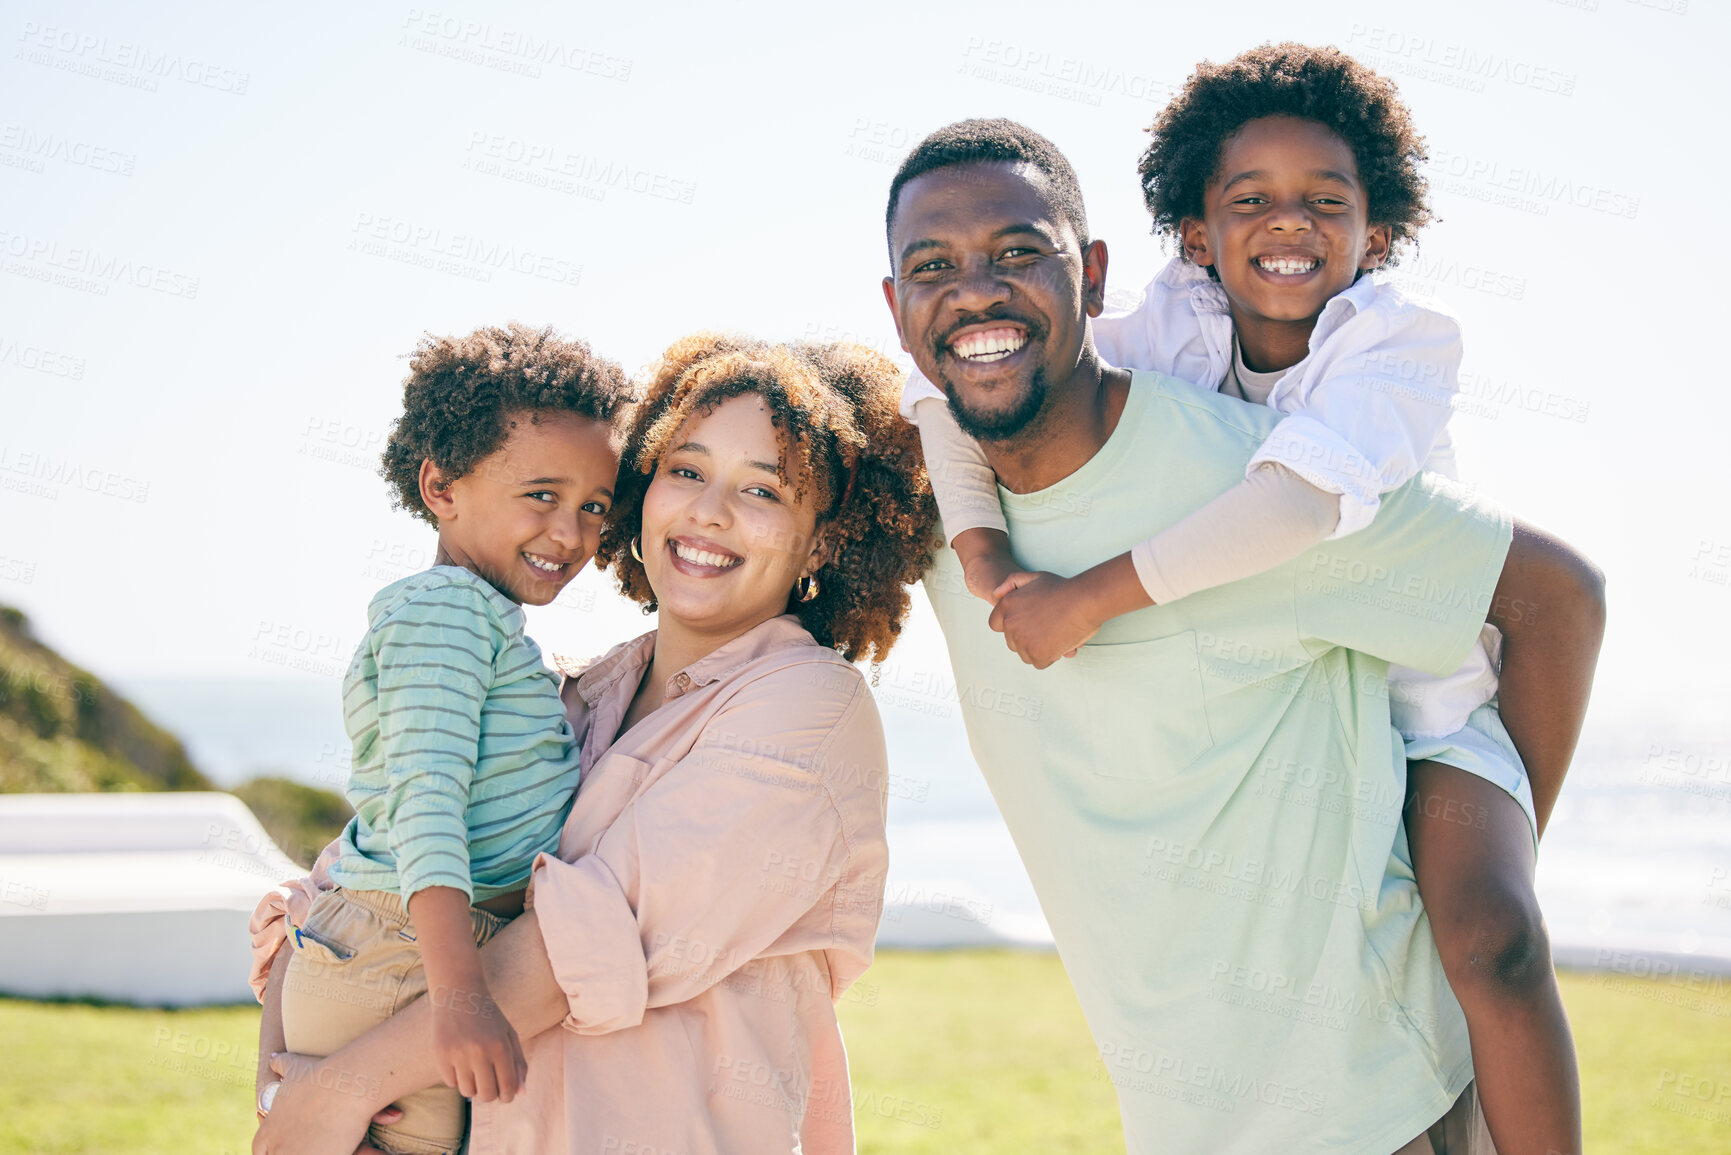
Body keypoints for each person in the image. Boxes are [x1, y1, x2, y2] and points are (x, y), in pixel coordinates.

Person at [901, 46, 1581, 1154]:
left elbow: (1296, 507)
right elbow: (946, 398)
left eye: (1327, 200)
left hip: (1437, 703)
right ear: (1197, 236)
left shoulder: (1395, 343)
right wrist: (982, 561)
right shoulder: (1174, 329)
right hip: (1322, 714)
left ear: (1380, 229)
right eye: (1250, 198)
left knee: (1493, 942)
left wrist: (1086, 602)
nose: (1290, 222)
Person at [249, 335, 939, 1155]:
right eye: (686, 470)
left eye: (763, 489)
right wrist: (288, 1091)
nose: (709, 511)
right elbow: (355, 873)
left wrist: (342, 1090)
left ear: (821, 540)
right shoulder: (573, 689)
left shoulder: (809, 710)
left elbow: (580, 944)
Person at [262, 323, 632, 1155]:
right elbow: (426, 803)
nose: (569, 534)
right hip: (410, 960)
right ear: (441, 485)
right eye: (540, 494)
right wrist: (460, 999)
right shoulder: (449, 612)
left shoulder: (480, 621)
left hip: (411, 953)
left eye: (593, 506)